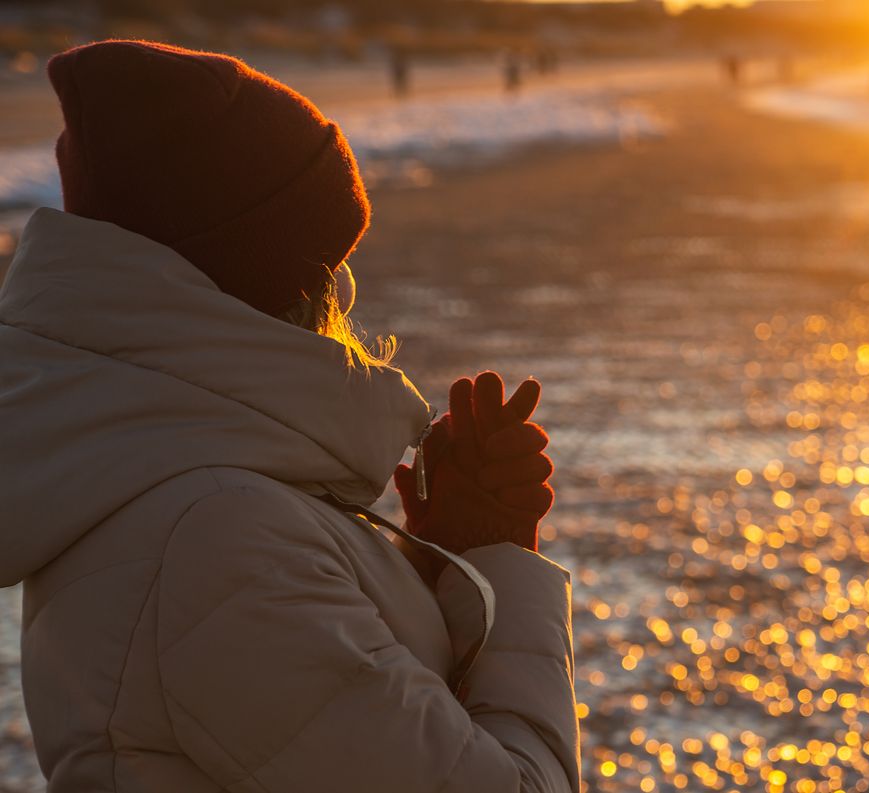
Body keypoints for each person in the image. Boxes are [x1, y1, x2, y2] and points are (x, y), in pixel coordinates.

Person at [0, 40, 580, 792]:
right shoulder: (215, 542)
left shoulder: (156, 479)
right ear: (275, 283)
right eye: (329, 266)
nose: (343, 296)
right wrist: (505, 560)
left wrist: (447, 568)